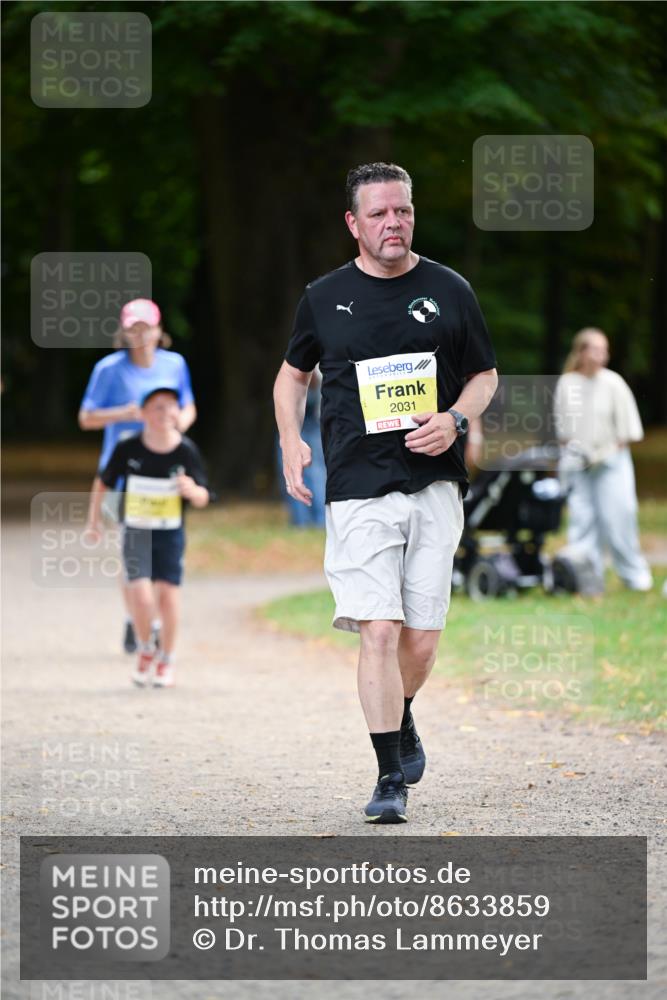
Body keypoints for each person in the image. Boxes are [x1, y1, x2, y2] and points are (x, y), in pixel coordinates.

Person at [273, 162, 498, 824]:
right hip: (356, 481)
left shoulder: (449, 289)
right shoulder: (323, 297)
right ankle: (386, 778)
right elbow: (291, 376)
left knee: (419, 642)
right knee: (379, 626)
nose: (392, 223)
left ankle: (399, 715)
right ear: (353, 223)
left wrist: (454, 418)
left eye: (401, 211)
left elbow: (483, 376)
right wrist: (291, 440)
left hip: (433, 481)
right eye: (378, 214)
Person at [78, 299, 197, 653]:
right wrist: (124, 413)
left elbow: (188, 405)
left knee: (164, 545)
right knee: (133, 549)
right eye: (134, 328)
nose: (141, 335)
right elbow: (86, 418)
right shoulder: (109, 370)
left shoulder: (174, 364)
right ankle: (137, 618)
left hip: (165, 469)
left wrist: (179, 428)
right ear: (124, 331)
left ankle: (155, 618)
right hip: (124, 473)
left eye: (147, 328)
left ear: (160, 331)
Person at [85, 388, 209, 687]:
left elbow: (205, 495)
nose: (165, 414)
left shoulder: (185, 450)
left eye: (171, 407)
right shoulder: (129, 448)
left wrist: (192, 491)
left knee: (167, 595)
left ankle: (166, 658)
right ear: (142, 414)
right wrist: (94, 521)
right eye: (157, 408)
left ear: (178, 413)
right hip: (135, 530)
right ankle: (145, 648)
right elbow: (102, 483)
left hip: (170, 533)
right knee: (140, 595)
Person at [554, 327, 652, 592]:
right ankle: (587, 577)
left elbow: (626, 431)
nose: (601, 355)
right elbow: (563, 430)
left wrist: (601, 455)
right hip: (579, 465)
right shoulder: (567, 384)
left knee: (618, 517)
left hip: (611, 463)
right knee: (582, 522)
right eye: (595, 349)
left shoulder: (613, 383)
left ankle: (635, 577)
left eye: (604, 350)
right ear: (581, 352)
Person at [276, 368, 326, 527]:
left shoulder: (308, 356)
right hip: (317, 421)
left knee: (299, 469)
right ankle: (319, 519)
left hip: (308, 419)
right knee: (316, 471)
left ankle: (303, 520)